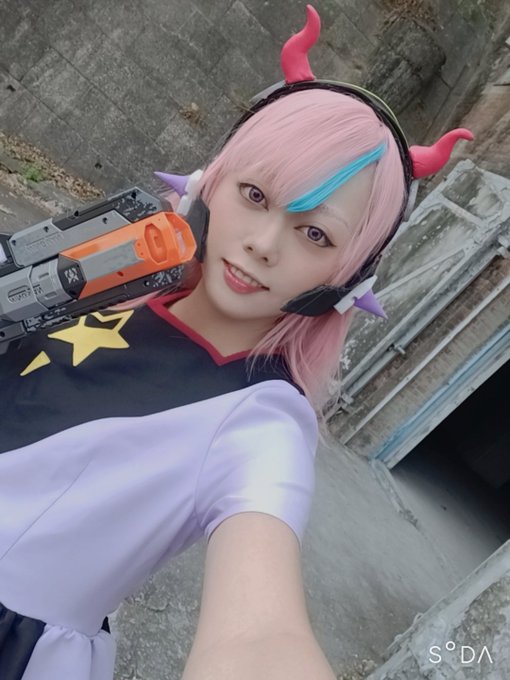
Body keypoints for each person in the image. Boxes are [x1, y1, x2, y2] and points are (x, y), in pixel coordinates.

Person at [0, 5, 472, 680]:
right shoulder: (117, 278)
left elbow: (258, 640)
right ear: (212, 181)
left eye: (316, 235)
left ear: (348, 279)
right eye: (255, 195)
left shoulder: (260, 420)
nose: (263, 243)